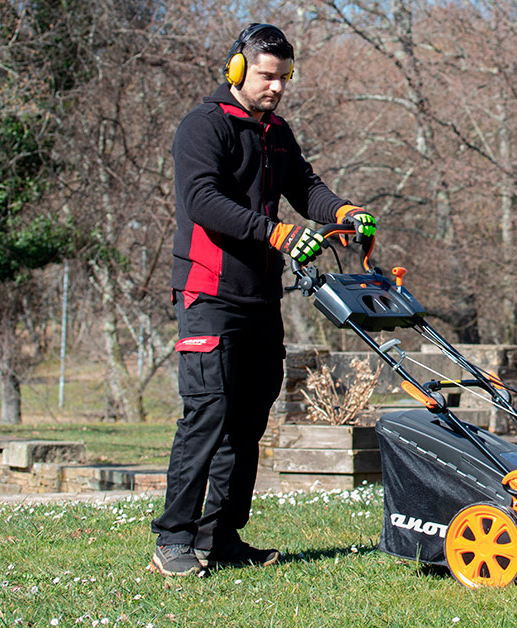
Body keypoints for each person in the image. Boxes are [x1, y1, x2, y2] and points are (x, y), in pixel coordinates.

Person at [150, 23, 375, 577]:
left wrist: (341, 211)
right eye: (266, 76)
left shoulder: (277, 132)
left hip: (259, 297)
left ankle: (220, 536)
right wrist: (273, 232)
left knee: (248, 419)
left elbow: (307, 188)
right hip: (208, 293)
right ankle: (173, 540)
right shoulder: (203, 127)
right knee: (208, 412)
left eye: (283, 77)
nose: (275, 87)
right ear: (237, 70)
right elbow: (204, 201)